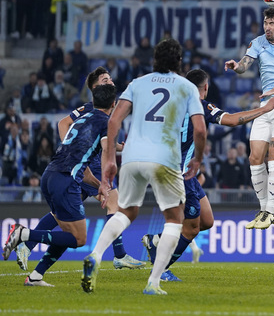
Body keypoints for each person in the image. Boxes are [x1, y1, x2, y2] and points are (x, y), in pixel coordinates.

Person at [81, 39, 207, 295]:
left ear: (154, 60)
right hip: (165, 157)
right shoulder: (186, 87)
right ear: (179, 62)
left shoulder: (137, 83)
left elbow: (114, 120)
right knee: (174, 219)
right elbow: (200, 129)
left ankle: (95, 254)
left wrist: (108, 160)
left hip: (132, 155)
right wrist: (198, 159)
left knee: (125, 212)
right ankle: (154, 282)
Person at [142, 69, 274, 281]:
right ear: (205, 88)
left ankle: (156, 241)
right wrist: (265, 109)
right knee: (191, 228)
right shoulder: (198, 105)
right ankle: (160, 270)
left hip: (178, 170)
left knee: (206, 221)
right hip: (178, 173)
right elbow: (233, 121)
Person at [14, 67, 145, 272]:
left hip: (76, 166)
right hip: (87, 163)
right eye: (104, 80)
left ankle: (29, 250)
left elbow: (107, 141)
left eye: (110, 78)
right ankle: (119, 255)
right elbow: (63, 123)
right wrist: (72, 147)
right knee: (113, 203)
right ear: (95, 88)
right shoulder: (90, 108)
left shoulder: (103, 110)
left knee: (60, 216)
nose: (110, 81)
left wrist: (123, 147)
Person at [2, 84, 118, 287]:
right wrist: (109, 177)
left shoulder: (82, 120)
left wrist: (100, 185)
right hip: (65, 180)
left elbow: (83, 167)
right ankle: (23, 234)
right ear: (113, 104)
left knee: (66, 232)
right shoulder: (105, 123)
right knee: (79, 238)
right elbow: (107, 151)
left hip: (51, 175)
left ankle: (36, 276)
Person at [225, 7, 274, 230]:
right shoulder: (258, 42)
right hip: (266, 105)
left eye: (271, 23)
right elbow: (244, 65)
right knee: (254, 157)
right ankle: (264, 211)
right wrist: (236, 67)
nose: (267, 27)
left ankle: (271, 210)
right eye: (265, 23)